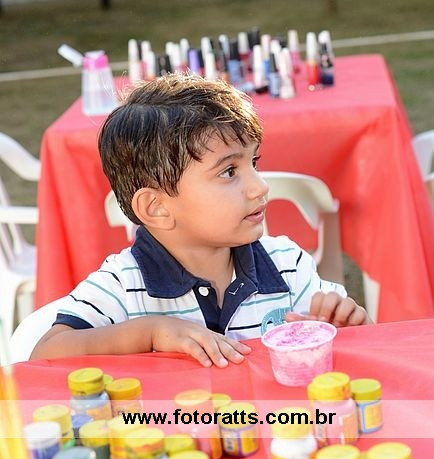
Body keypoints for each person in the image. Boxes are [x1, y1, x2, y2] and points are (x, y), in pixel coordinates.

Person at [31, 74, 368, 366]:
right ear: (156, 207)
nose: (260, 186)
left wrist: (348, 329)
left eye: (254, 162)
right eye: (229, 171)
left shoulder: (288, 265)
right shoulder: (123, 286)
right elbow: (44, 354)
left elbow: (348, 348)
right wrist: (149, 333)